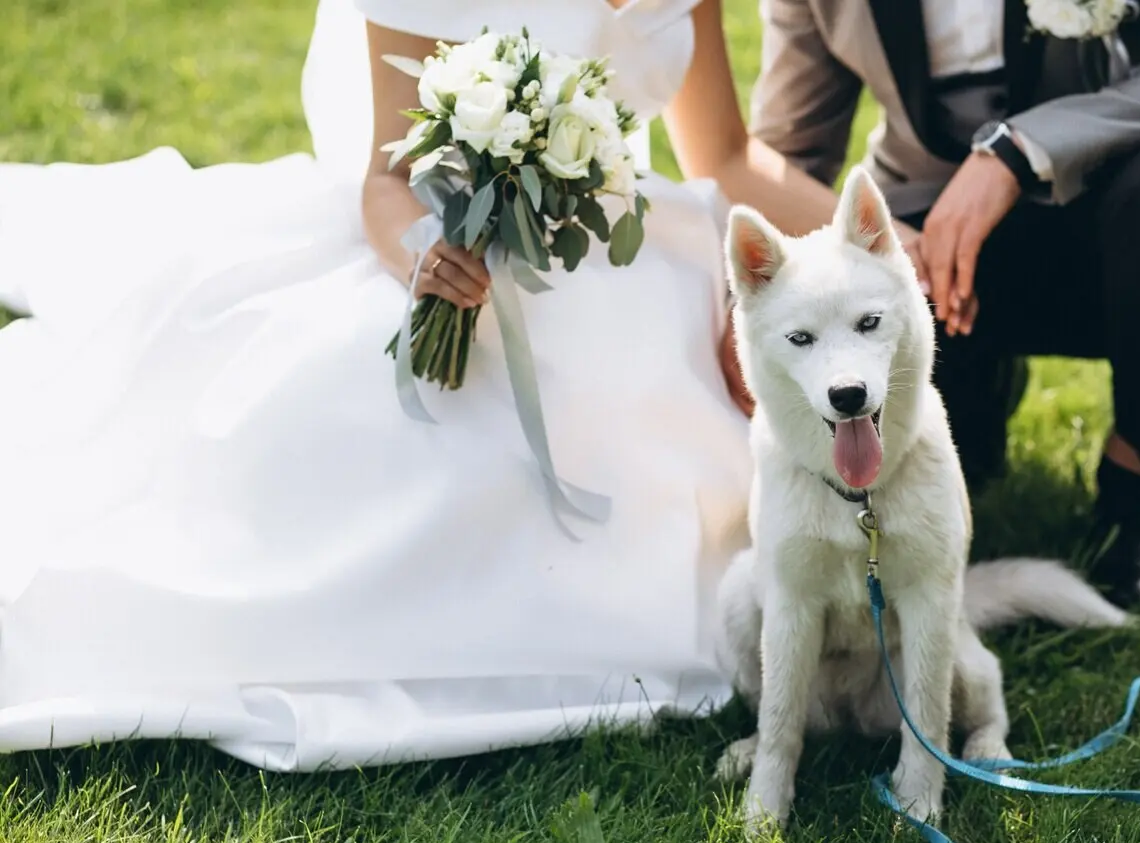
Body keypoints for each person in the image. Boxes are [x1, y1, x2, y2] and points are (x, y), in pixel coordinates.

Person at [0, 0, 892, 769]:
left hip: (639, 256)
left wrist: (891, 252)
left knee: (716, 442)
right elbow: (388, 180)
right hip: (457, 252)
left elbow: (726, 160)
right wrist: (427, 260)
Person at [749, 0, 1140, 606]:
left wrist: (1020, 151)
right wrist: (762, 300)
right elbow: (791, 152)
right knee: (933, 452)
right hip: (931, 242)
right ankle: (982, 383)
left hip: (1120, 211)